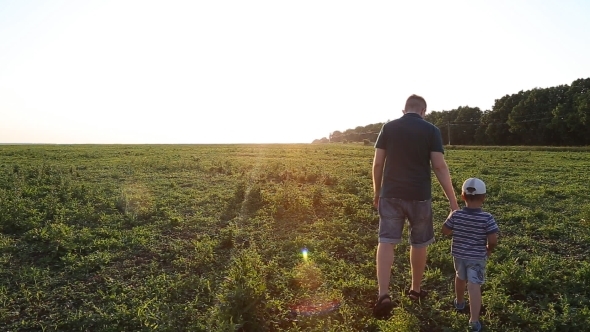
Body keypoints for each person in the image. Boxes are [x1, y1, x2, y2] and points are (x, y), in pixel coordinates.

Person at [372, 94, 459, 318]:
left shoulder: (388, 128)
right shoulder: (431, 130)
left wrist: (377, 191)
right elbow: (439, 167)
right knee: (419, 243)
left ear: (404, 110)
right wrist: (453, 201)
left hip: (390, 195)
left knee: (386, 241)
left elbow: (378, 162)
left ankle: (383, 295)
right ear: (423, 111)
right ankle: (415, 290)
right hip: (420, 197)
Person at [442, 177, 499, 332]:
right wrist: (489, 249)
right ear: (484, 197)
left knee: (460, 277)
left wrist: (450, 214)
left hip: (459, 255)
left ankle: (459, 302)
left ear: (462, 196)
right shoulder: (487, 218)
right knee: (474, 286)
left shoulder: (456, 215)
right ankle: (473, 321)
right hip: (477, 257)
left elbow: (445, 231)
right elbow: (493, 239)